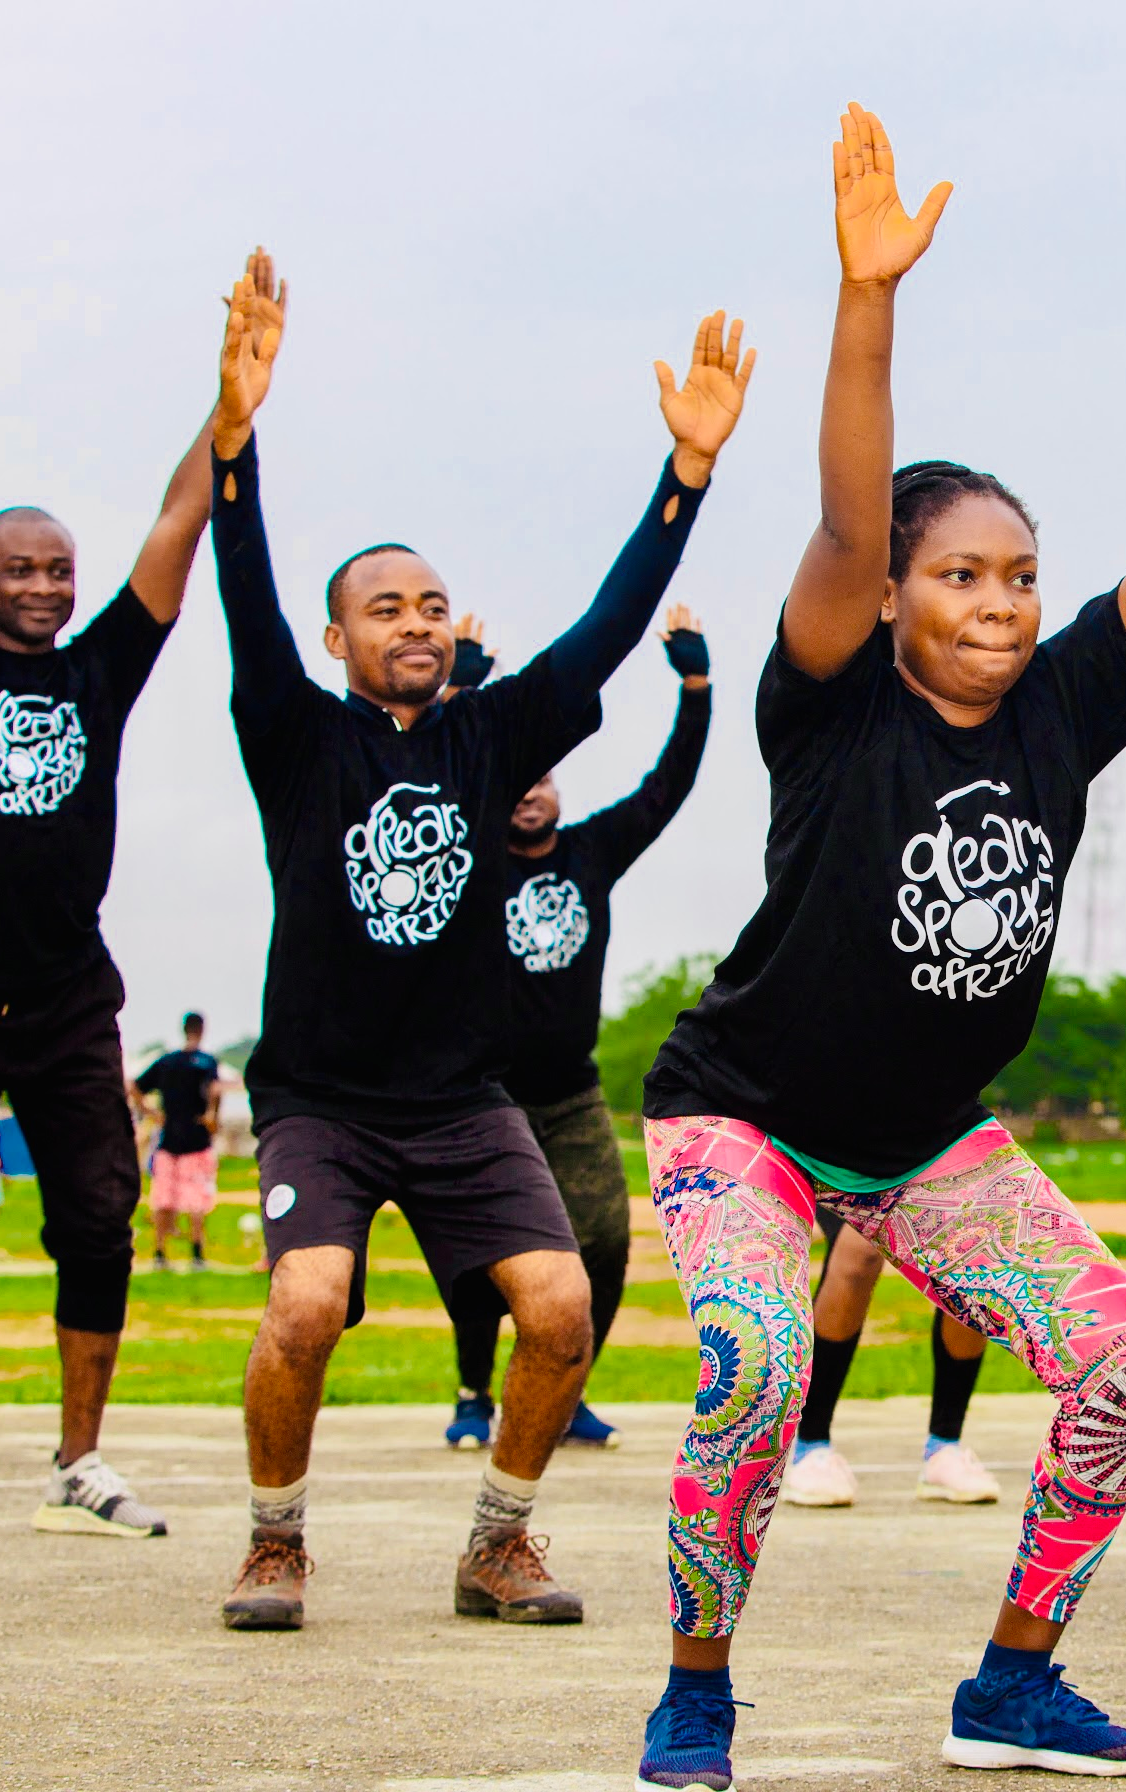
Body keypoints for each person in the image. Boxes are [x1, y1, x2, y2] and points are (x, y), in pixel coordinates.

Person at [633, 104, 1126, 1786]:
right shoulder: (828, 701)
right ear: (892, 595)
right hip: (739, 1108)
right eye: (959, 574)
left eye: (1022, 576)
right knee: (752, 1359)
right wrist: (867, 298)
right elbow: (836, 523)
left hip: (928, 1138)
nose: (1000, 603)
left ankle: (1011, 1681)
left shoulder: (1061, 707)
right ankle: (697, 1684)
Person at [205, 270, 754, 1633]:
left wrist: (684, 474)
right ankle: (275, 1543)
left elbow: (607, 636)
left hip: (463, 1099)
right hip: (322, 1100)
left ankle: (498, 1543)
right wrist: (234, 442)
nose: (416, 622)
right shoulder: (295, 735)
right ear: (339, 641)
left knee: (565, 1307)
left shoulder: (491, 735)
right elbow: (241, 593)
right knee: (310, 1303)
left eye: (434, 605)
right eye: (386, 608)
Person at [0, 252, 270, 1538]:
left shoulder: (98, 669)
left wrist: (228, 412)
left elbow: (178, 524)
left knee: (100, 1218)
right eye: (21, 569)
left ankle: (76, 1459)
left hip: (61, 1002)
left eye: (59, 569)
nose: (47, 586)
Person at [443, 603, 713, 1452]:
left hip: (568, 1092)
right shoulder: (467, 846)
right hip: (482, 1094)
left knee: (600, 1235)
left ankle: (567, 1387)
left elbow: (667, 786)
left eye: (544, 780)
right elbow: (433, 769)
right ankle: (472, 1395)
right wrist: (460, 689)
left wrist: (696, 687)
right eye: (517, 781)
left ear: (561, 790)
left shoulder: (591, 852)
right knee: (485, 1257)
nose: (530, 791)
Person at [784, 1210, 1000, 1506]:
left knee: (972, 1249)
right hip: (841, 1166)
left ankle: (945, 1447)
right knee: (860, 1250)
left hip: (930, 1164)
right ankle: (811, 1447)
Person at [132, 1011, 223, 1270]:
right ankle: (197, 1254)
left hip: (168, 1138)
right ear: (202, 1029)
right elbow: (214, 1092)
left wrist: (152, 1113)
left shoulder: (167, 1061)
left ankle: (160, 1254)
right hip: (196, 1139)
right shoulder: (206, 1062)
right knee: (196, 1199)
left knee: (163, 1198)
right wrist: (211, 1116)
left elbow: (135, 1086)